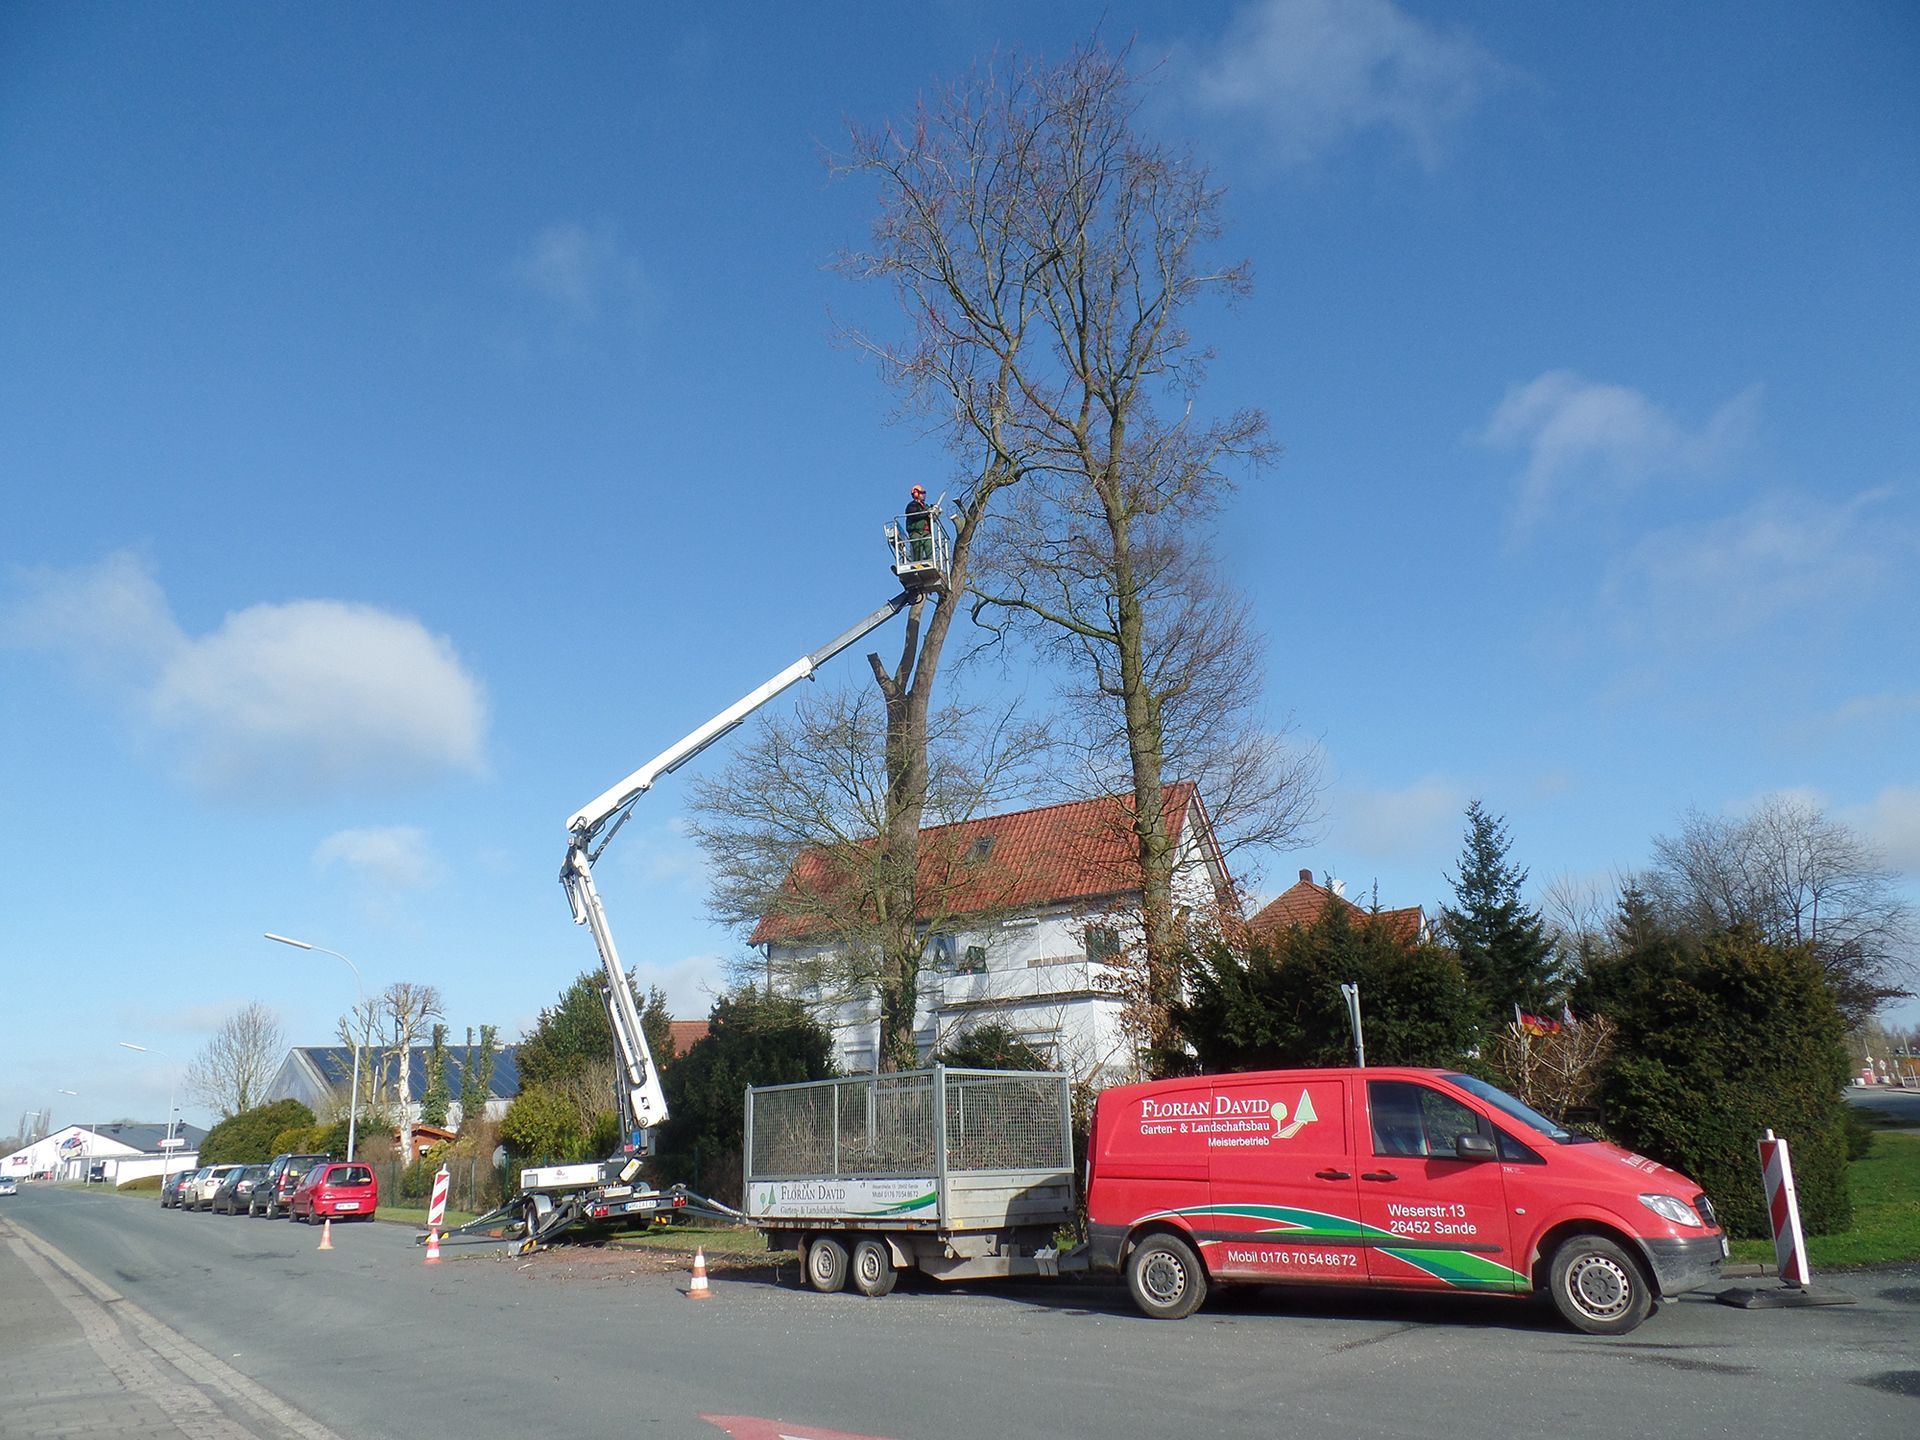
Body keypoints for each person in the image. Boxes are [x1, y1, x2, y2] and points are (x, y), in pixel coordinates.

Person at [905, 484, 932, 562]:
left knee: (930, 548)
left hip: (926, 532)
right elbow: (916, 515)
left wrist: (934, 511)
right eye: (922, 493)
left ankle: (930, 561)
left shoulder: (925, 506)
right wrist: (927, 512)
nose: (924, 495)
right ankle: (917, 564)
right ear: (916, 494)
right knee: (917, 549)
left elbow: (929, 514)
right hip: (916, 532)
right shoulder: (911, 506)